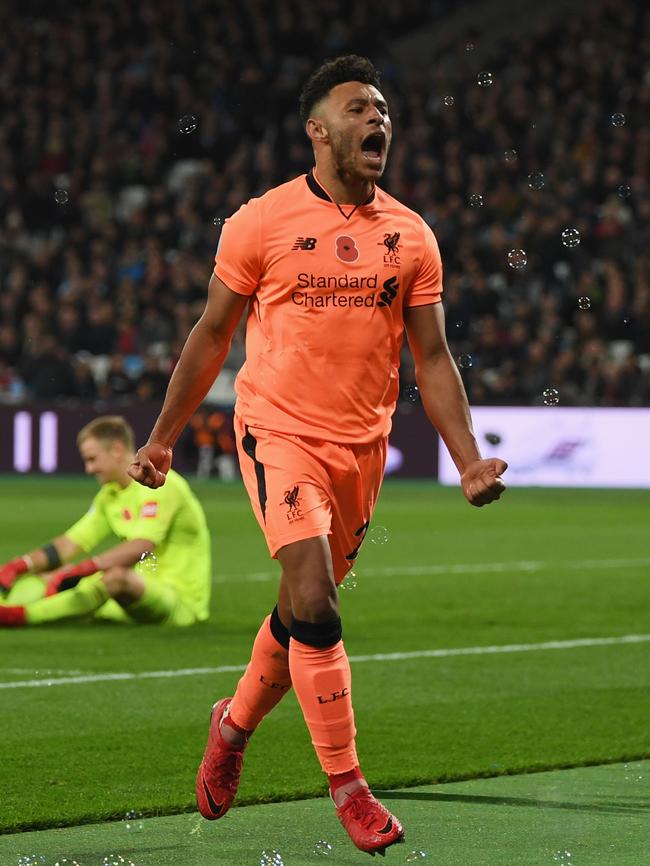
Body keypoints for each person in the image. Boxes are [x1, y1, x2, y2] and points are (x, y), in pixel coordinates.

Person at [128, 55, 508, 856]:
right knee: (317, 597)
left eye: (383, 109)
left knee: (300, 612)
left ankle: (230, 729)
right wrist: (163, 436)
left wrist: (468, 457)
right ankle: (350, 787)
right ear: (319, 130)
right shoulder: (260, 222)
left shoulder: (411, 235)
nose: (378, 120)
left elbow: (433, 360)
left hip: (360, 450)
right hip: (277, 431)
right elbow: (210, 337)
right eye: (359, 108)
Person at [0, 415, 210, 627]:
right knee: (47, 575)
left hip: (178, 602)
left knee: (116, 576)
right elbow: (70, 543)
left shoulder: (161, 484)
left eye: (92, 459)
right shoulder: (109, 495)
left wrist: (82, 569)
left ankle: (21, 616)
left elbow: (141, 546)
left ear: (117, 449)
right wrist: (20, 565)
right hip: (134, 595)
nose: (88, 469)